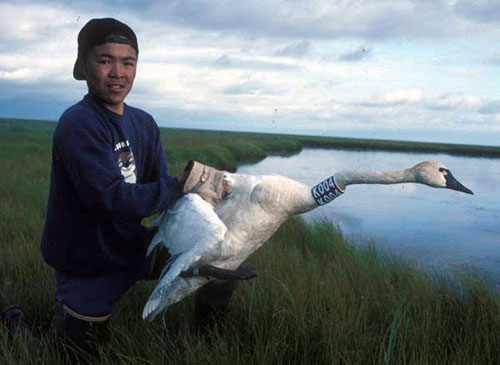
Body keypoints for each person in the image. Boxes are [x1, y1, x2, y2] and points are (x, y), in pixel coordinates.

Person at [1, 17, 244, 356]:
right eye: (105, 60)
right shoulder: (78, 124)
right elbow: (112, 199)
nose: (118, 72)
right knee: (72, 356)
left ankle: (207, 344)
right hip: (87, 260)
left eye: (127, 62)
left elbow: (160, 195)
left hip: (133, 246)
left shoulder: (143, 123)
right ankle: (15, 323)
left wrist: (202, 202)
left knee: (223, 264)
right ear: (85, 66)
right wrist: (183, 183)